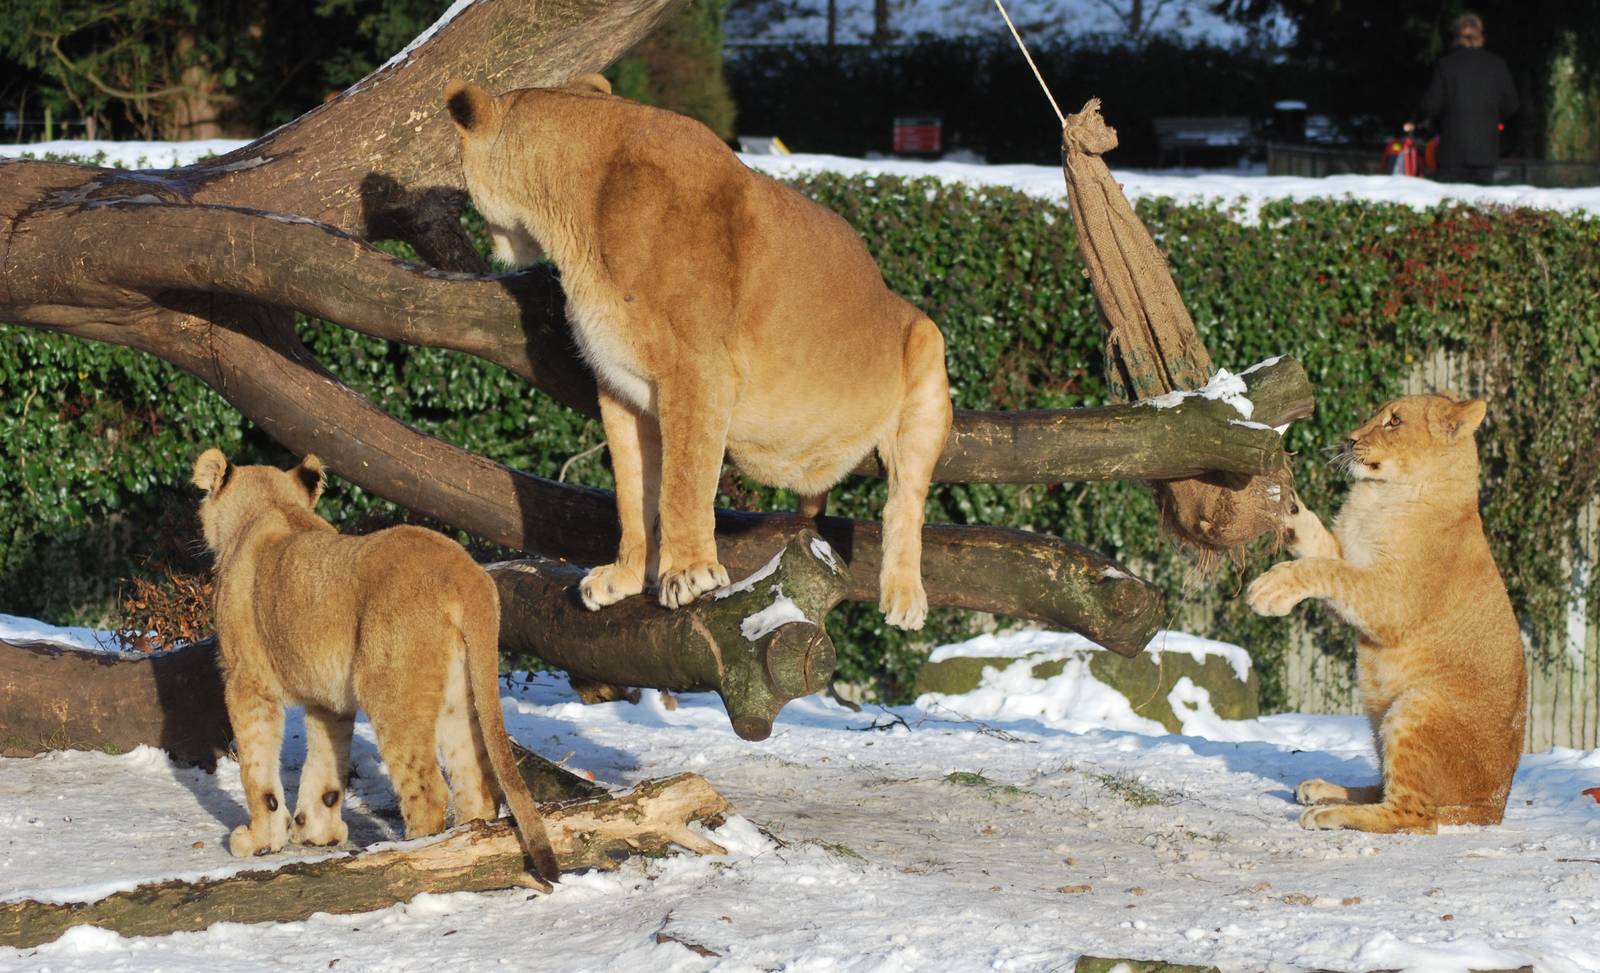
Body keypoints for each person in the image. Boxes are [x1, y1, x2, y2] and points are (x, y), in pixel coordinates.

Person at [1418, 12, 1518, 185]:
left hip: (1452, 151)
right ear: (1481, 35)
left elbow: (1431, 105)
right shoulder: (1497, 65)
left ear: (1456, 36)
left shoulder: (1446, 65)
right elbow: (1512, 105)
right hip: (1486, 151)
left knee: (1450, 206)